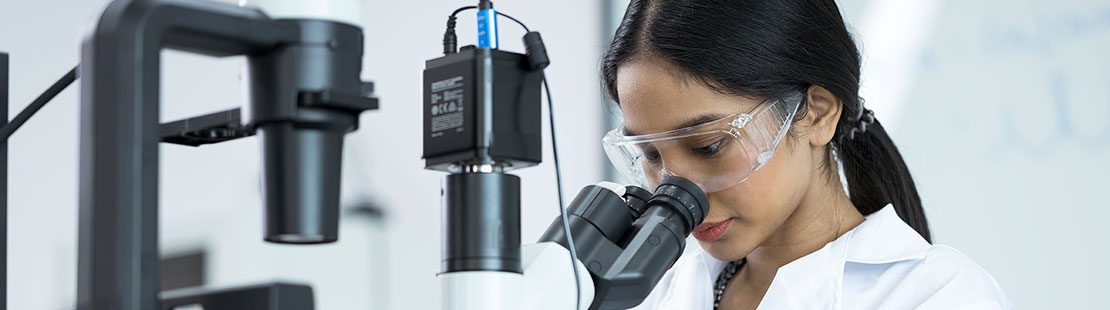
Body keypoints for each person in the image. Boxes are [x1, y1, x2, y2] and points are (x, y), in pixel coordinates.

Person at [599, 0, 1012, 309]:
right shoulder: (662, 294)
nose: (677, 192)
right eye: (650, 154)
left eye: (709, 146)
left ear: (818, 112)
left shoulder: (939, 296)